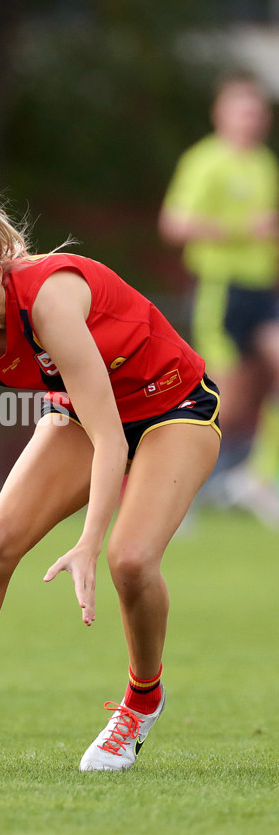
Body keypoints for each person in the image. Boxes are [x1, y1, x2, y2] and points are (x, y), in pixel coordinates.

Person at [0, 190, 221, 772]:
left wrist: (89, 542)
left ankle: (142, 701)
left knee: (130, 560)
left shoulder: (48, 300)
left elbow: (112, 439)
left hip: (172, 405)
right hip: (83, 414)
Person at [159, 72, 279, 527]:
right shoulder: (205, 161)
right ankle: (171, 486)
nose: (252, 120)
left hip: (261, 290)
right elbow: (175, 224)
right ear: (221, 114)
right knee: (223, 400)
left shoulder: (265, 162)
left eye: (258, 112)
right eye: (242, 110)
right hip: (220, 287)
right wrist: (240, 231)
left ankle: (258, 478)